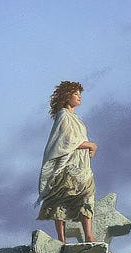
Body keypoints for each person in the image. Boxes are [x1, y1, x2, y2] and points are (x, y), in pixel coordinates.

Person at [37, 81, 98, 244]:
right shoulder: (63, 115)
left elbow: (77, 139)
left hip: (81, 165)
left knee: (87, 196)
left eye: (80, 94)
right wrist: (91, 145)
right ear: (66, 96)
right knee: (61, 200)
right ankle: (62, 239)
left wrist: (89, 148)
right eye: (76, 94)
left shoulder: (75, 117)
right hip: (68, 166)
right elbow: (67, 140)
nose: (79, 97)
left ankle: (89, 235)